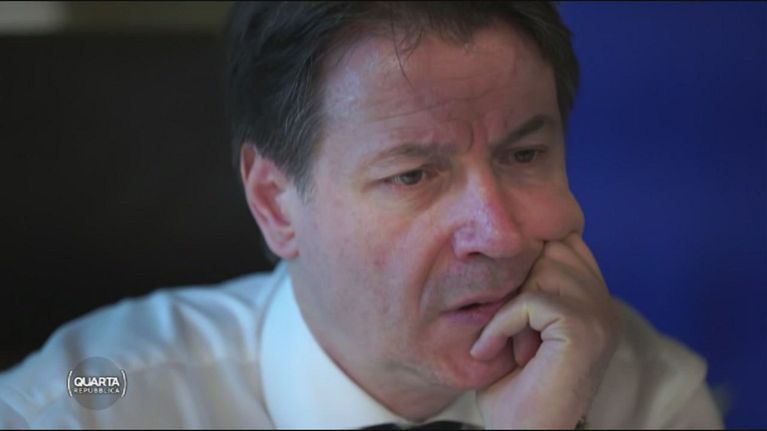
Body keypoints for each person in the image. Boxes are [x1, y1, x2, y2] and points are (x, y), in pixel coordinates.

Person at [0, 2, 723, 428]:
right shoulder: (85, 404)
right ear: (274, 203)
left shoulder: (648, 402)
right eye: (411, 174)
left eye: (524, 155)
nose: (500, 234)